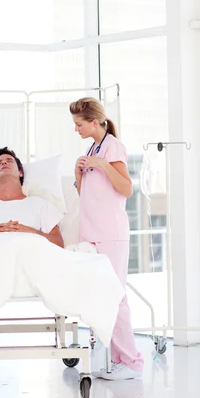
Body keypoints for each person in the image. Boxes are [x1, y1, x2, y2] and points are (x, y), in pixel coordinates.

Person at [70, 97, 144, 381]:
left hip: (110, 234)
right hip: (92, 233)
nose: (75, 129)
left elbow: (126, 188)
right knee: (103, 296)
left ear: (93, 122)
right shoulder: (93, 147)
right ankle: (117, 360)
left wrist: (102, 164)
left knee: (116, 297)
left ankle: (131, 362)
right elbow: (90, 197)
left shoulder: (113, 147)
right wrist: (79, 175)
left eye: (79, 124)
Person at [0, 147, 64, 249]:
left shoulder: (40, 204)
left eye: (9, 160)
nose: (4, 163)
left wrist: (30, 232)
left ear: (20, 172)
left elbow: (58, 242)